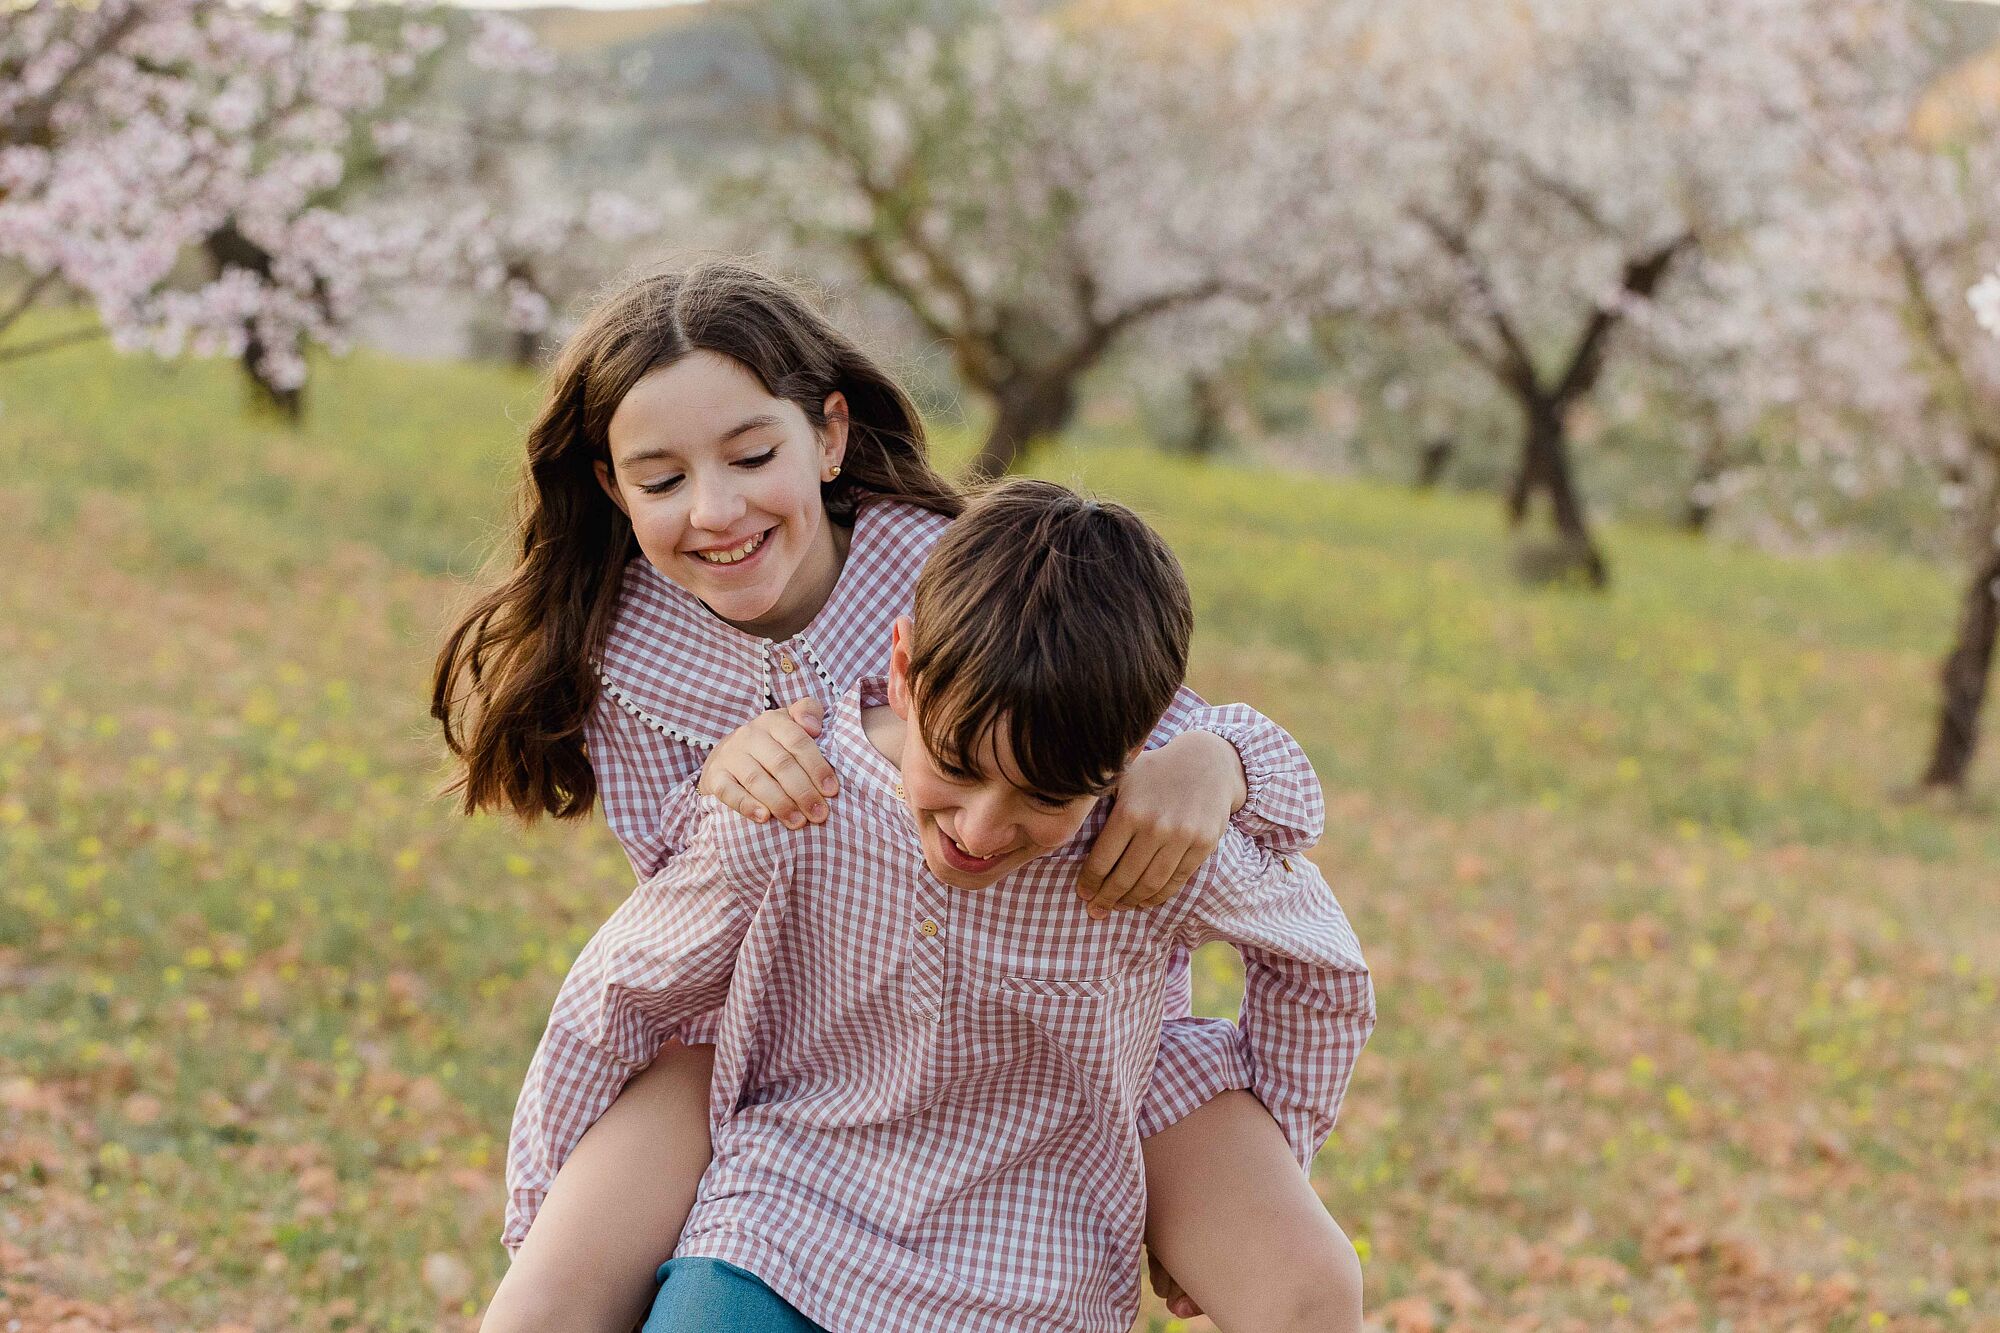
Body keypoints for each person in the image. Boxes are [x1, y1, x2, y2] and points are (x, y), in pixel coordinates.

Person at [434, 261, 1345, 1329]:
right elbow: (658, 938)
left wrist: (1216, 758)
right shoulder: (622, 654)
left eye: (750, 455)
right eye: (663, 478)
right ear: (610, 486)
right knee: (541, 1300)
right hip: (772, 1022)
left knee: (1308, 1282)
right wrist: (722, 794)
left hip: (1055, 1017)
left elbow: (1124, 716)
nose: (715, 509)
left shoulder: (942, 574)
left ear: (825, 436)